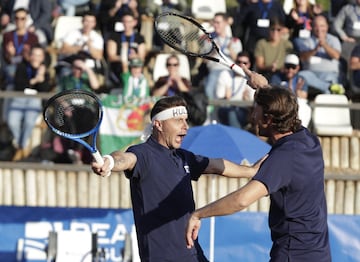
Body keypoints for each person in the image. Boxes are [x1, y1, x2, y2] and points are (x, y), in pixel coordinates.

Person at [91, 95, 266, 261]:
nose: (185, 126)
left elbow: (215, 165)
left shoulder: (183, 156)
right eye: (178, 120)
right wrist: (111, 161)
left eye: (185, 120)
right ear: (158, 125)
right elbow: (125, 158)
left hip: (193, 254)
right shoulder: (143, 154)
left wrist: (250, 171)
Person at [185, 68, 331, 261]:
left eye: (255, 111)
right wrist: (264, 86)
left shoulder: (284, 157)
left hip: (293, 255)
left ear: (268, 119)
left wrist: (198, 214)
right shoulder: (308, 140)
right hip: (319, 254)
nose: (252, 116)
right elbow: (285, 107)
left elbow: (241, 200)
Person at [7, 44, 51, 160]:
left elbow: (44, 90)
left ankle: (20, 147)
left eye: (39, 55)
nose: (36, 58)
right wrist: (36, 79)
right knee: (12, 122)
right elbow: (19, 85)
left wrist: (41, 76)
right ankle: (23, 147)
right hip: (19, 98)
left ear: (42, 58)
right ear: (30, 56)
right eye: (34, 55)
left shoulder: (44, 71)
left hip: (34, 100)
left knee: (29, 122)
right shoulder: (22, 67)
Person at [293, 14, 345, 94]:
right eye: (316, 26)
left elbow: (336, 56)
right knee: (301, 75)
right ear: (312, 28)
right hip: (311, 74)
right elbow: (303, 57)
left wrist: (324, 45)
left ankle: (328, 91)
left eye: (322, 26)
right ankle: (328, 87)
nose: (319, 29)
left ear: (327, 27)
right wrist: (315, 49)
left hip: (329, 73)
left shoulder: (333, 40)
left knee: (331, 78)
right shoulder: (307, 41)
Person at [204, 12, 242, 99]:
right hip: (214, 71)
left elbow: (240, 61)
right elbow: (204, 60)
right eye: (214, 22)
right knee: (210, 92)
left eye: (218, 22)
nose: (215, 25)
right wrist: (213, 51)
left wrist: (230, 49)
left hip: (229, 72)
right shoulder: (209, 40)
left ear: (225, 23)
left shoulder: (235, 41)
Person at [105, 10, 146, 88]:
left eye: (129, 22)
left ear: (134, 22)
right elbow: (111, 56)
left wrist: (135, 56)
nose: (127, 24)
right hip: (117, 70)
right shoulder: (114, 36)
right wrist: (125, 56)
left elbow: (142, 57)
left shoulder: (139, 38)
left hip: (134, 71)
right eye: (124, 21)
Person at [215, 51, 255, 129]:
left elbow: (251, 101)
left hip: (243, 111)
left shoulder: (252, 79)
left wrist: (245, 100)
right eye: (238, 62)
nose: (241, 65)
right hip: (225, 109)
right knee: (230, 112)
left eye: (245, 63)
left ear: (249, 64)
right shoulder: (225, 74)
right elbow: (219, 96)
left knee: (233, 113)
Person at [271, 53, 312, 127]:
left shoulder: (301, 79)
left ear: (298, 68)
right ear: (284, 66)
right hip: (280, 107)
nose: (290, 70)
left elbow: (303, 98)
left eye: (293, 67)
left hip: (295, 107)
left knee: (305, 108)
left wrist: (297, 91)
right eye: (288, 67)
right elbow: (274, 96)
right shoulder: (276, 78)